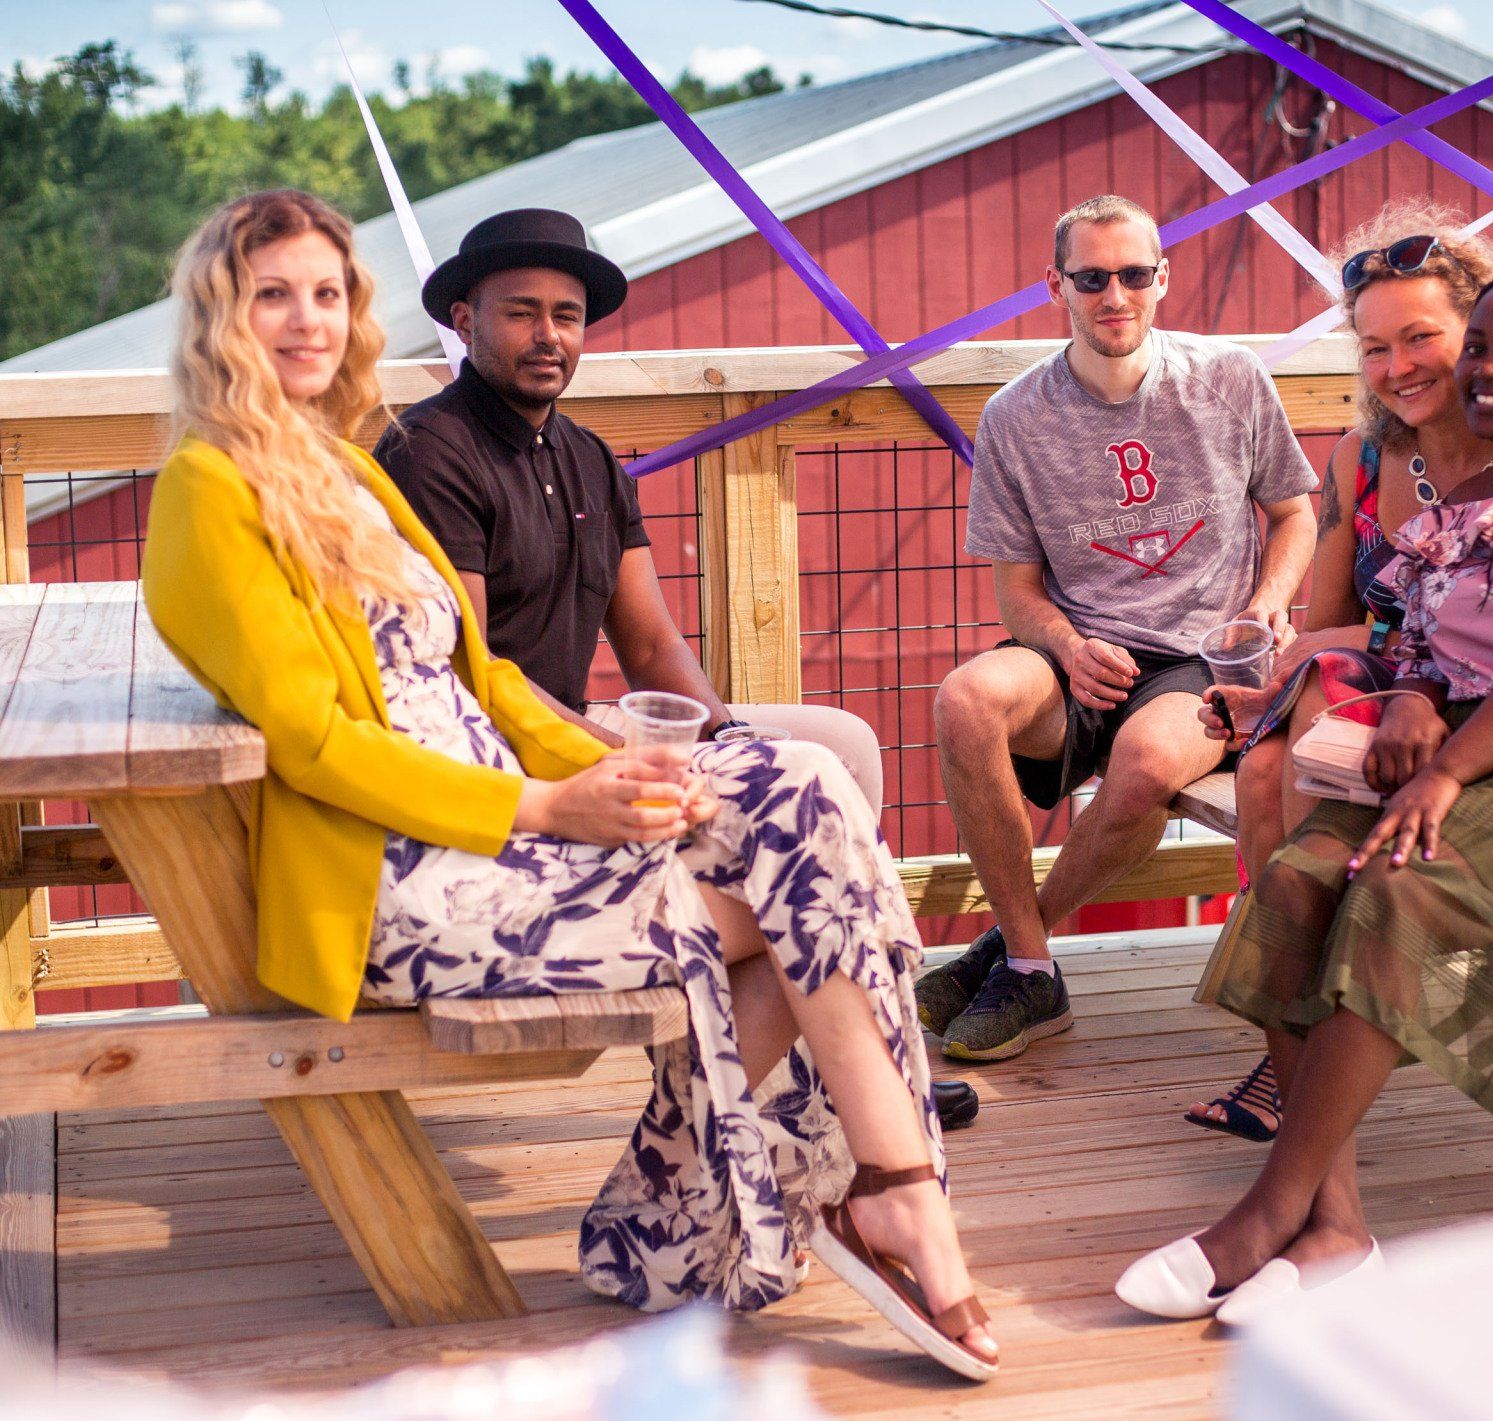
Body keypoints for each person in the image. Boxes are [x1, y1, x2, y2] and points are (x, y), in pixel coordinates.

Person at [143, 190, 996, 1380]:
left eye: (328, 293)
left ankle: (879, 1188)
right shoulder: (206, 490)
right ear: (220, 315)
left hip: (509, 832)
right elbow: (317, 745)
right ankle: (869, 1195)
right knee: (816, 893)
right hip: (415, 886)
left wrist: (618, 767)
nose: (307, 320)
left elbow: (479, 673)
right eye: (273, 294)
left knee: (803, 784)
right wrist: (554, 806)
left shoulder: (341, 467)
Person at [1116, 264, 1493, 1323]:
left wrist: (1443, 763)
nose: (1488, 368)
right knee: (1303, 876)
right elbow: (1417, 643)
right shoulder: (1468, 496)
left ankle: (1265, 1214)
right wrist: (1409, 702)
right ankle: (1338, 1228)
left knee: (1396, 883)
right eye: (1481, 345)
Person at [374, 208, 976, 1133]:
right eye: (522, 313)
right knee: (796, 822)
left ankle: (853, 1043)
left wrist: (733, 738)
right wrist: (625, 755)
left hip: (583, 719)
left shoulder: (587, 459)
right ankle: (852, 1066)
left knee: (839, 743)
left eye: (567, 316)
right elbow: (473, 663)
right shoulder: (429, 452)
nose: (549, 337)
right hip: (504, 756)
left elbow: (650, 643)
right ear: (463, 319)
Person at [925, 194, 1318, 1062]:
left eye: (1134, 274)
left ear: (1163, 279)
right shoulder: (1013, 416)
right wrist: (1065, 645)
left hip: (1201, 655)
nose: (1115, 295)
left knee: (1143, 767)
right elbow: (1017, 591)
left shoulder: (1230, 377)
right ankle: (1030, 964)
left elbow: (1294, 514)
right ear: (1055, 286)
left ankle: (1015, 956)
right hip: (1080, 649)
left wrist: (1268, 601)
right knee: (964, 698)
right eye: (1092, 277)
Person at [1186, 206, 1493, 1143]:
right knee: (1257, 760)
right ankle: (1304, 1027)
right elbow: (1328, 616)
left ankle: (1309, 1036)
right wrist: (1265, 684)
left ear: (1480, 334)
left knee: (1288, 746)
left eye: (1420, 338)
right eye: (1374, 347)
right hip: (1364, 697)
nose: (1397, 366)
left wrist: (1321, 678)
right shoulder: (1359, 457)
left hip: (1469, 710)